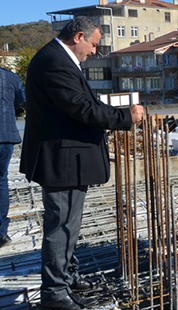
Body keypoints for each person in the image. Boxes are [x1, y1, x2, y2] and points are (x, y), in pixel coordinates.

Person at [20, 17, 144, 309]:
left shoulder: (60, 59)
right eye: (94, 44)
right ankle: (55, 293)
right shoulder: (54, 62)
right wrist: (125, 118)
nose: (94, 52)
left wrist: (120, 111)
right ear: (78, 37)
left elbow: (86, 100)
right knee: (61, 227)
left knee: (69, 226)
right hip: (61, 161)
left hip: (67, 160)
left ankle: (67, 276)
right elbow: (80, 108)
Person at [0, 67, 25, 249]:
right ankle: (1, 233)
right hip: (5, 136)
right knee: (1, 182)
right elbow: (22, 100)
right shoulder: (10, 77)